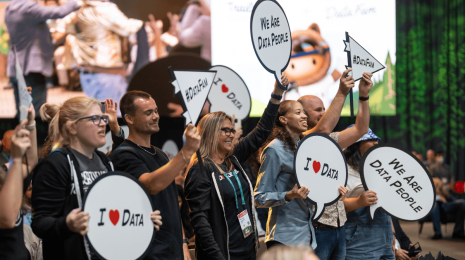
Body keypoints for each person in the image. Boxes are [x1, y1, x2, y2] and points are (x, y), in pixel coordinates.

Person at [31, 96, 162, 260]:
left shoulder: (105, 161)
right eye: (95, 118)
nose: (102, 123)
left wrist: (140, 219)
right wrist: (66, 224)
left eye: (103, 118)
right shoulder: (56, 163)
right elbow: (40, 223)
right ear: (72, 127)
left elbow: (112, 212)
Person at [184, 74, 287, 260]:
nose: (232, 135)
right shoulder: (201, 169)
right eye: (226, 130)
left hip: (247, 248)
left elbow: (261, 131)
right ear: (211, 133)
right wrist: (217, 256)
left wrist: (277, 94)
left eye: (232, 130)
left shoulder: (233, 158)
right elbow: (200, 222)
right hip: (223, 254)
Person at [253, 69, 357, 250]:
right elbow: (259, 198)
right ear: (284, 119)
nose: (304, 116)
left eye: (304, 113)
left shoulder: (305, 146)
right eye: (298, 113)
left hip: (308, 236)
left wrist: (333, 193)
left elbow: (314, 188)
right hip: (285, 238)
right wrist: (288, 195)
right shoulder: (275, 149)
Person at [110, 90, 201, 260]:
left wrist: (183, 243)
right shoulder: (123, 154)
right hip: (149, 252)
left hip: (174, 249)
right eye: (148, 113)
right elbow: (150, 185)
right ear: (129, 118)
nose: (156, 116)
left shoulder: (159, 154)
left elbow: (172, 202)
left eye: (156, 111)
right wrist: (186, 152)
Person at [297, 71, 374, 260]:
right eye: (318, 110)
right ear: (302, 115)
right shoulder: (298, 142)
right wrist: (341, 92)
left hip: (339, 227)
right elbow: (322, 129)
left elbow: (361, 129)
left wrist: (363, 96)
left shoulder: (330, 140)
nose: (323, 113)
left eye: (324, 108)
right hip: (316, 229)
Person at [56, 1, 144, 109]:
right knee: (112, 116)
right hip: (107, 74)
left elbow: (57, 33)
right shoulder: (105, 9)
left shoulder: (75, 11)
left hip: (86, 74)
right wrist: (146, 18)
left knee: (98, 115)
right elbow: (129, 28)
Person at [5, 0, 80, 116]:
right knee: (37, 112)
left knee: (21, 112)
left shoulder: (10, 7)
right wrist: (79, 1)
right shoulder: (28, 8)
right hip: (30, 67)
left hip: (15, 66)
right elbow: (59, 12)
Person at [343, 129, 395, 260]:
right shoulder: (342, 171)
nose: (375, 143)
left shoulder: (382, 169)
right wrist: (358, 202)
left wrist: (392, 233)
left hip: (385, 236)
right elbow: (332, 207)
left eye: (376, 140)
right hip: (359, 240)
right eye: (370, 140)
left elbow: (386, 205)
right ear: (355, 144)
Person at [0, 120, 32, 260]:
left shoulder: (4, 171)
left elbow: (31, 164)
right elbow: (7, 220)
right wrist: (17, 157)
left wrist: (31, 124)